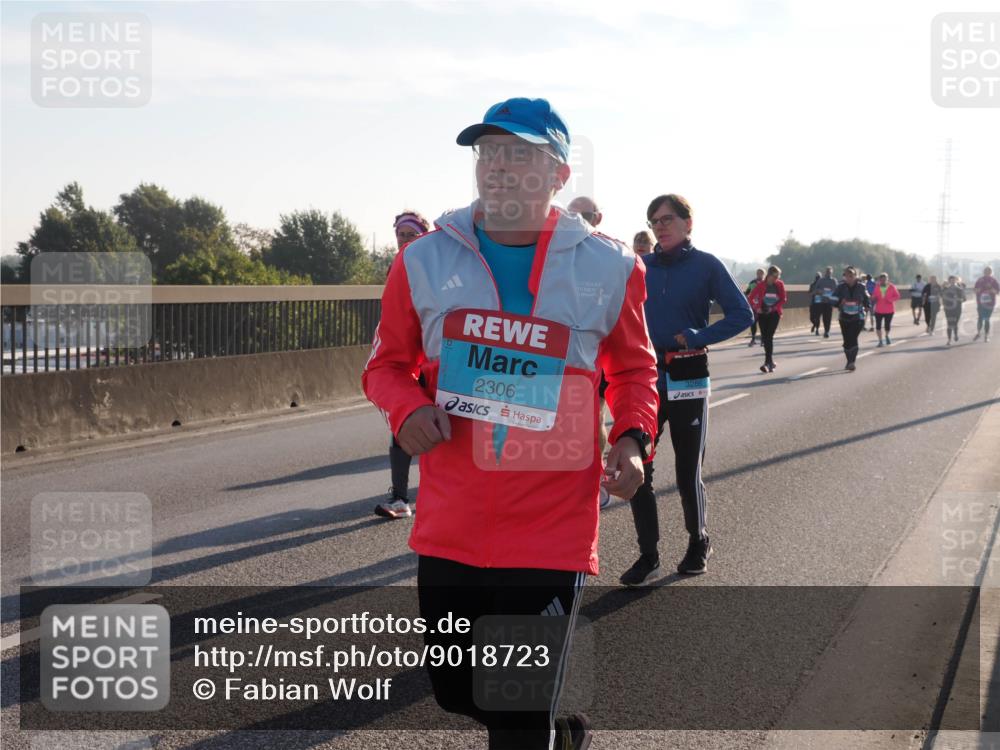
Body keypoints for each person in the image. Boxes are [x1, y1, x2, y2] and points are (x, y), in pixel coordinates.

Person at [362, 97, 658, 749]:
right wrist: (407, 408)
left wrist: (633, 440)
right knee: (456, 689)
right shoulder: (424, 261)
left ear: (558, 173)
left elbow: (635, 372)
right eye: (489, 152)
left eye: (520, 153)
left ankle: (537, 727)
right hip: (450, 525)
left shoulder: (609, 266)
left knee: (513, 711)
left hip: (550, 527)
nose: (500, 167)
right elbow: (385, 366)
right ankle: (558, 729)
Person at [622, 193, 754, 585]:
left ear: (687, 223)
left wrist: (700, 335)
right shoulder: (639, 266)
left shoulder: (706, 265)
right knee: (638, 464)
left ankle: (699, 541)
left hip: (687, 372)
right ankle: (648, 555)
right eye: (653, 221)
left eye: (666, 219)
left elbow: (742, 314)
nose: (659, 226)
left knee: (686, 468)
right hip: (644, 376)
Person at [375, 211, 432, 519]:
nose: (405, 240)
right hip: (409, 363)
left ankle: (438, 495)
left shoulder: (435, 265)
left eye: (411, 235)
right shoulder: (396, 267)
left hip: (436, 361)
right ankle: (399, 498)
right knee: (402, 425)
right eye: (401, 236)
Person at [568, 196, 611, 509]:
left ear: (598, 218)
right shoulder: (557, 256)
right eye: (573, 214)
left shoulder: (612, 257)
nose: (578, 219)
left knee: (594, 421)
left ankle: (595, 478)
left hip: (602, 355)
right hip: (563, 356)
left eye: (585, 214)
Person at [747, 265, 787, 372]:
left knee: (769, 336)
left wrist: (773, 308)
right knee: (765, 338)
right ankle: (771, 362)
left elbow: (783, 299)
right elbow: (750, 298)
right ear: (769, 275)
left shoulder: (779, 284)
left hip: (774, 313)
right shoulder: (760, 285)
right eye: (775, 276)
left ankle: (767, 363)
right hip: (762, 314)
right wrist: (756, 308)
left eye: (778, 276)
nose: (776, 279)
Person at [830, 266, 871, 371]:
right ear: (844, 277)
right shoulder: (840, 287)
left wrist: (867, 306)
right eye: (847, 276)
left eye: (851, 276)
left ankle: (851, 362)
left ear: (855, 276)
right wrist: (840, 302)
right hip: (844, 317)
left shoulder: (861, 287)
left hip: (858, 317)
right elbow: (833, 299)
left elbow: (867, 298)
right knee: (846, 341)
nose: (849, 278)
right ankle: (849, 361)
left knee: (853, 338)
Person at [870, 272, 900, 347]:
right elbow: (874, 294)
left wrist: (890, 299)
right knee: (878, 326)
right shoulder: (877, 287)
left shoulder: (892, 287)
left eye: (884, 279)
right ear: (879, 280)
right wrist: (873, 297)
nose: (883, 281)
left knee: (887, 326)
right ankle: (880, 341)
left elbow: (897, 296)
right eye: (881, 280)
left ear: (887, 279)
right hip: (878, 310)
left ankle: (886, 336)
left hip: (889, 310)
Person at [973, 266, 999, 342]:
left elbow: (997, 292)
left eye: (989, 271)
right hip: (980, 303)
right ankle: (978, 333)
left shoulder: (994, 281)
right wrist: (979, 289)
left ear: (991, 272)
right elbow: (975, 290)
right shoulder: (980, 280)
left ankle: (986, 336)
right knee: (980, 318)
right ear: (984, 272)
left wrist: (990, 288)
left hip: (990, 304)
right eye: (986, 271)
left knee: (987, 319)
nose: (987, 272)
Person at [813, 266, 838, 338]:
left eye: (829, 272)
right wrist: (820, 291)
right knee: (824, 317)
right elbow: (816, 289)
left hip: (830, 302)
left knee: (828, 317)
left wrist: (833, 294)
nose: (828, 273)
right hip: (822, 301)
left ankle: (827, 331)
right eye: (827, 272)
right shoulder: (821, 280)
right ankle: (825, 330)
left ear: (832, 273)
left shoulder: (833, 281)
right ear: (825, 272)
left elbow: (837, 290)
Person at [941, 275, 966, 345]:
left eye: (953, 280)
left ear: (956, 281)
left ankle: (955, 334)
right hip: (948, 309)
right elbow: (941, 295)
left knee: (955, 324)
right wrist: (942, 287)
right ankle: (949, 340)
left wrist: (957, 299)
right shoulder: (945, 289)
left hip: (957, 309)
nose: (952, 282)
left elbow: (964, 299)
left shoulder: (959, 289)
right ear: (949, 281)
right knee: (949, 324)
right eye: (950, 280)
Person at [744, 268, 765, 346]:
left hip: (763, 306)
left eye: (761, 273)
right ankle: (753, 339)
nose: (759, 275)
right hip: (753, 306)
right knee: (753, 323)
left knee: (762, 323)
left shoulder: (766, 283)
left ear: (764, 274)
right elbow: (747, 292)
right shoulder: (752, 282)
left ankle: (763, 340)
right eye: (758, 273)